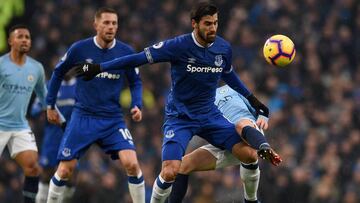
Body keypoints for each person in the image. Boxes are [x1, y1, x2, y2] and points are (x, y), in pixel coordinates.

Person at [74, 2, 281, 203]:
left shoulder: (222, 48)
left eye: (215, 23)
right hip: (180, 117)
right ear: (194, 23)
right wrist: (100, 68)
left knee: (249, 154)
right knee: (170, 171)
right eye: (208, 23)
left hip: (210, 115)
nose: (213, 28)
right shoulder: (177, 46)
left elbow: (229, 75)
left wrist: (253, 99)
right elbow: (137, 59)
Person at [45, 7, 145, 203]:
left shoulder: (126, 52)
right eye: (106, 23)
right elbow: (57, 73)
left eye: (114, 23)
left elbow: (135, 81)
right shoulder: (80, 49)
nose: (111, 27)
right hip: (83, 117)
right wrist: (50, 105)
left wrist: (137, 104)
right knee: (65, 170)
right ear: (96, 25)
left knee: (132, 165)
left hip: (113, 119)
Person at [168, 85, 276, 203]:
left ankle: (264, 147)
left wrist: (263, 116)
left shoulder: (234, 88)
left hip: (250, 134)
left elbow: (259, 109)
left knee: (240, 125)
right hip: (227, 143)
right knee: (182, 166)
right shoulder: (200, 102)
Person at [0, 24, 52, 203]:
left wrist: (53, 112)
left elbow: (44, 96)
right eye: (20, 36)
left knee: (33, 168)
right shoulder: (1, 64)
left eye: (27, 37)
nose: (24, 40)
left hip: (19, 125)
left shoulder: (36, 68)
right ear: (10, 41)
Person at [31, 74, 76, 203]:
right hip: (52, 137)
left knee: (71, 178)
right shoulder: (49, 85)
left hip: (72, 138)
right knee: (46, 174)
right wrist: (44, 109)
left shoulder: (81, 86)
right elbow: (35, 110)